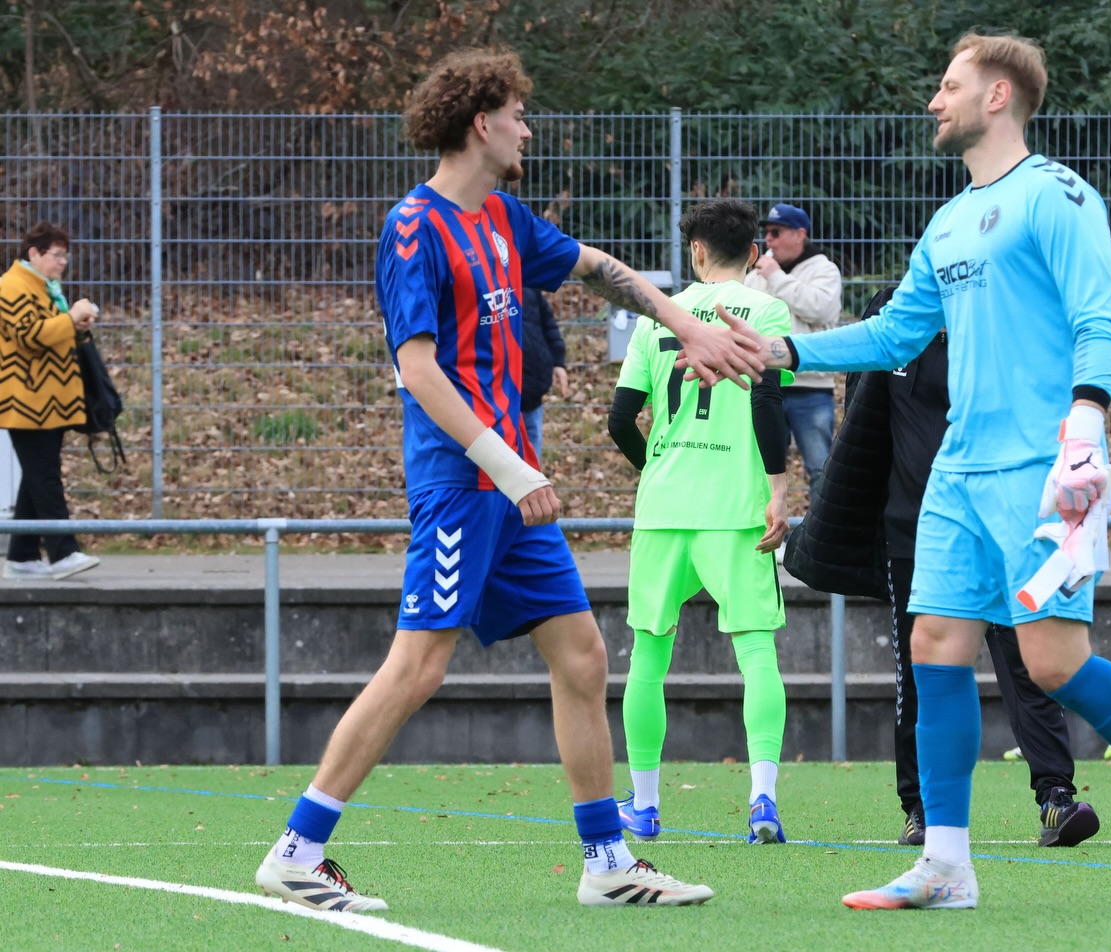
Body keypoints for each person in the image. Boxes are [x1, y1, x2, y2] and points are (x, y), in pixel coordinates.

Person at [254, 48, 764, 912]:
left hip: (511, 488)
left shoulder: (503, 216)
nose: (528, 130)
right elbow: (418, 370)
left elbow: (596, 266)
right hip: (463, 484)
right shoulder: (413, 228)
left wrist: (687, 324)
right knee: (418, 667)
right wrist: (509, 463)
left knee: (581, 655)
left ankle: (608, 862)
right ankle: (297, 851)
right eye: (519, 116)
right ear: (482, 122)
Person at [744, 32, 1111, 912]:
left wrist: (1086, 426)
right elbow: (896, 334)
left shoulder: (1057, 196)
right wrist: (784, 352)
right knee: (934, 645)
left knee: (1053, 663)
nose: (934, 101)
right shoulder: (948, 221)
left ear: (998, 95)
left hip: (1043, 470)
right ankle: (945, 864)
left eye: (948, 85)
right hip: (958, 471)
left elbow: (1100, 319)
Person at [785, 284, 1099, 850]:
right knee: (922, 674)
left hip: (1001, 529)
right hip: (916, 535)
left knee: (1028, 663)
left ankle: (1056, 796)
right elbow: (862, 429)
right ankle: (920, 808)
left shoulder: (1003, 322)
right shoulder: (894, 318)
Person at [607, 198, 791, 845]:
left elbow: (620, 419)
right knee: (757, 652)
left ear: (696, 251)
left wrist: (655, 468)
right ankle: (762, 802)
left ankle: (645, 806)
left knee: (648, 655)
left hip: (665, 508)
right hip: (737, 507)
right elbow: (769, 402)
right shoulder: (766, 311)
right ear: (754, 253)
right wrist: (779, 487)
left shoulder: (658, 314)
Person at [0, 222, 102, 581]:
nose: (63, 262)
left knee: (36, 476)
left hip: (49, 402)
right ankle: (63, 552)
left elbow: (52, 334)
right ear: (34, 254)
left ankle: (22, 555)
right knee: (45, 476)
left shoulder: (43, 288)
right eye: (57, 255)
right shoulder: (11, 287)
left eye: (65, 256)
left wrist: (76, 326)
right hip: (26, 403)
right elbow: (28, 336)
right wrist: (69, 318)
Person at [742, 203, 841, 485]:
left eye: (776, 232)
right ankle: (769, 515)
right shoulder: (756, 275)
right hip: (765, 385)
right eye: (766, 233)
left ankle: (822, 518)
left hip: (811, 388)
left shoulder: (824, 270)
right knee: (761, 470)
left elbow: (819, 310)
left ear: (800, 234)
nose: (768, 240)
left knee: (821, 471)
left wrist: (776, 277)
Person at [519, 285, 568, 454]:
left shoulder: (528, 285)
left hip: (532, 392)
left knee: (532, 450)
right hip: (499, 396)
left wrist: (558, 361)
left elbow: (547, 323)